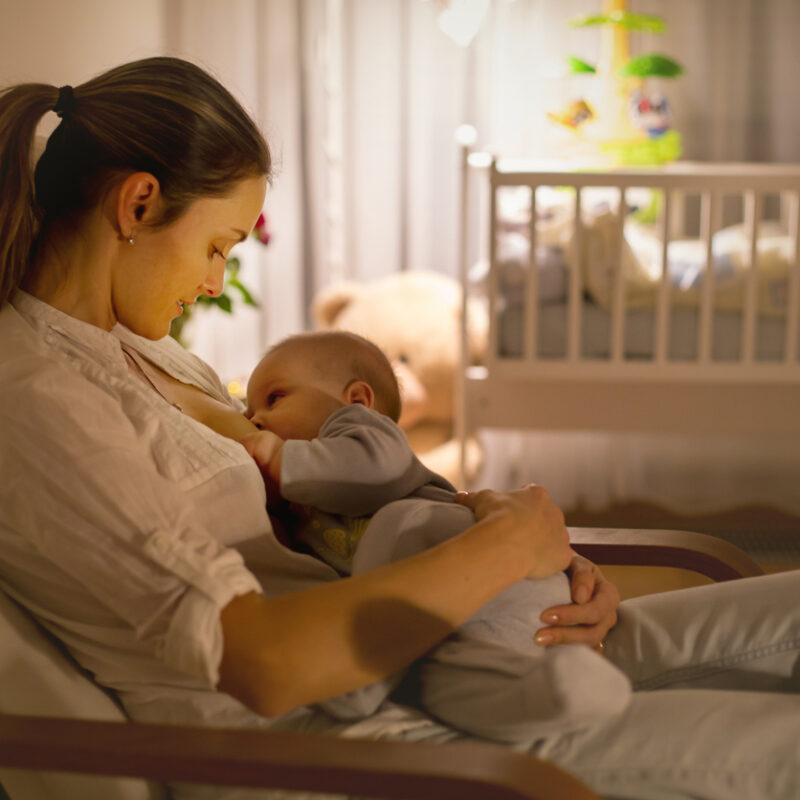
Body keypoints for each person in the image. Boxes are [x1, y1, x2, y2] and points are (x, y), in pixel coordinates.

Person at [0, 55, 798, 800]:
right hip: (352, 737)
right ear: (138, 203)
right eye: (218, 246)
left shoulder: (145, 351)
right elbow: (265, 665)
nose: (214, 282)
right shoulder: (38, 399)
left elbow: (323, 519)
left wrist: (509, 546)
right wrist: (502, 550)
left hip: (430, 649)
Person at [238, 329, 632, 741]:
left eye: (274, 398)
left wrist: (285, 460)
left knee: (395, 525)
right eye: (248, 412)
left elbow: (374, 468)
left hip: (481, 561)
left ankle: (358, 679)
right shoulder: (303, 503)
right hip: (469, 614)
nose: (255, 420)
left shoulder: (361, 430)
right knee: (434, 678)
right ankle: (561, 692)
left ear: (357, 399)